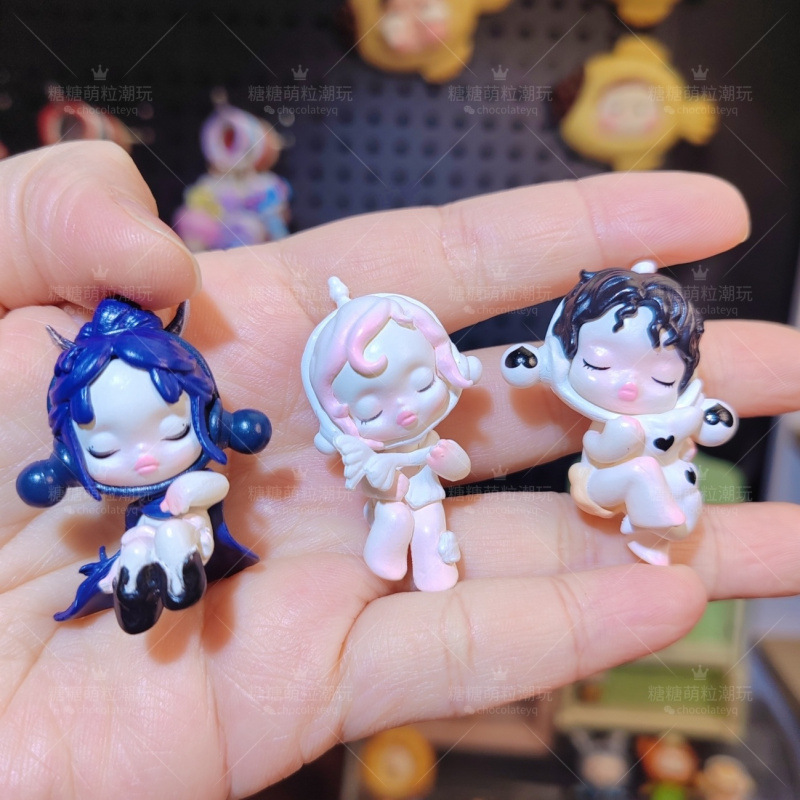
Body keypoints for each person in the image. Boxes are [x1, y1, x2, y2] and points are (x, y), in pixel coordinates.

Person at [1, 141, 798, 798]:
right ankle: (397, 549)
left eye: (421, 387)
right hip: (413, 488)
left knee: (426, 516)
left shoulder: (568, 414)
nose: (405, 408)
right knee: (394, 522)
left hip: (478, 483)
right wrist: (380, 466)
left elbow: (455, 455)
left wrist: (439, 454)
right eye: (109, 451)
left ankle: (435, 551)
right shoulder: (338, 448)